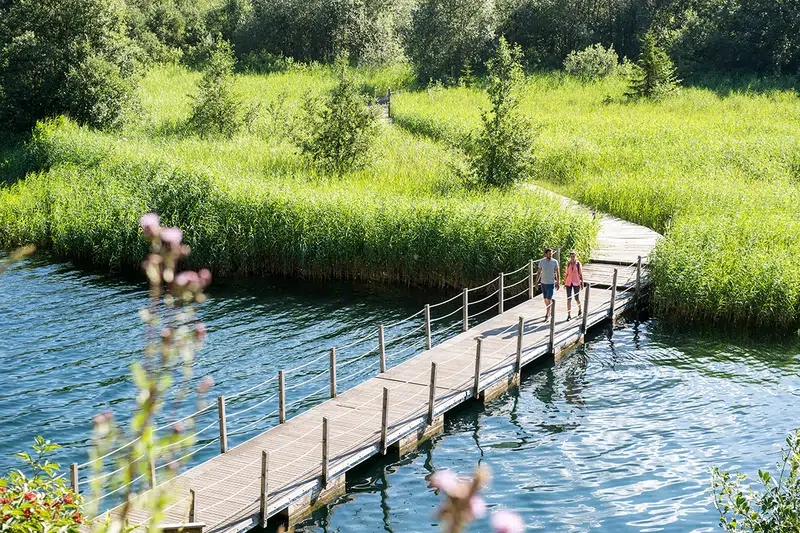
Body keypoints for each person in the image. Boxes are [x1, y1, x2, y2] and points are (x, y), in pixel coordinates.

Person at [535, 248, 559, 321]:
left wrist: (558, 282)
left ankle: (547, 314)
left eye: (551, 254)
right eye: (549, 254)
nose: (550, 255)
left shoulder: (555, 262)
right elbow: (539, 272)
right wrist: (536, 282)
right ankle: (549, 309)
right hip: (543, 283)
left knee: (549, 298)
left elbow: (558, 272)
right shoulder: (542, 262)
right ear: (545, 254)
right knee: (545, 299)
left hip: (551, 283)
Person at [564, 251, 584, 321]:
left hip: (576, 282)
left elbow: (581, 274)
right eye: (571, 256)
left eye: (573, 256)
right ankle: (569, 315)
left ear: (575, 256)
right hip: (569, 282)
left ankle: (580, 310)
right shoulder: (568, 263)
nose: (572, 258)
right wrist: (564, 283)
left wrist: (582, 283)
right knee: (569, 299)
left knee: (576, 298)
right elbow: (566, 273)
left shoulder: (578, 264)